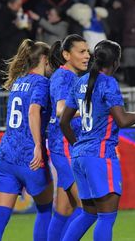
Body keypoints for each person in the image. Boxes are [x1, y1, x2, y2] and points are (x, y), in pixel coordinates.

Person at [59, 40, 135, 240]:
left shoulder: (79, 82)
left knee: (88, 213)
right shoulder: (108, 83)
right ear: (116, 62)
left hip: (80, 156)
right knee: (106, 217)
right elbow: (123, 120)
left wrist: (79, 147)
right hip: (100, 155)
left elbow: (64, 122)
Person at [0, 39, 53, 241]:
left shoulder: (18, 82)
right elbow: (33, 112)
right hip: (30, 157)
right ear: (43, 59)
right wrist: (39, 146)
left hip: (5, 157)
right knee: (45, 210)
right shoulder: (42, 83)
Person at [47, 34, 90, 241]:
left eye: (87, 51)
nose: (87, 55)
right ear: (66, 55)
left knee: (64, 209)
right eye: (81, 52)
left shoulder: (74, 77)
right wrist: (93, 109)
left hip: (68, 146)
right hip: (64, 147)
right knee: (88, 207)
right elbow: (61, 110)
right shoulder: (63, 76)